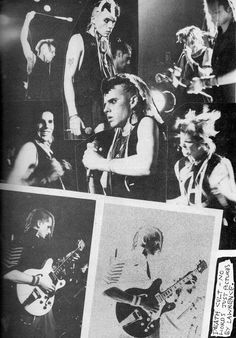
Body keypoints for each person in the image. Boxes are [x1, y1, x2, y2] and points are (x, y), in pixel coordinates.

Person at [82, 73, 167, 202]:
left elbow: (146, 165)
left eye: (113, 102)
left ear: (133, 101)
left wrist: (100, 163)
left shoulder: (146, 122)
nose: (106, 109)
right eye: (105, 103)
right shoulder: (116, 135)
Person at [173, 109, 236, 248]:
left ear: (202, 142)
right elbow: (186, 197)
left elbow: (230, 202)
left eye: (187, 142)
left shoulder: (219, 164)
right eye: (181, 141)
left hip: (219, 231)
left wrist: (217, 197)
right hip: (193, 229)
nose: (182, 146)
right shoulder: (180, 165)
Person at [64, 0, 120, 138]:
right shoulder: (78, 40)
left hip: (104, 113)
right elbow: (68, 79)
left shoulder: (105, 47)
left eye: (113, 22)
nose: (110, 26)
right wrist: (73, 115)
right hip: (85, 114)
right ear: (94, 19)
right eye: (106, 20)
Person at [2, 208, 56, 338]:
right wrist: (40, 282)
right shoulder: (21, 240)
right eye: (48, 227)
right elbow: (7, 273)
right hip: (20, 307)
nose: (49, 231)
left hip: (36, 303)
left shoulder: (40, 244)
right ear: (38, 224)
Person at [7, 110, 71, 189]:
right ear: (34, 124)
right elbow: (11, 183)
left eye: (50, 121)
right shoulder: (30, 148)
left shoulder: (48, 149)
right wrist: (46, 179)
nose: (46, 126)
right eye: (41, 122)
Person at [188, 0, 236, 102]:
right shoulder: (219, 35)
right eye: (210, 13)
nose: (213, 17)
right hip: (221, 100)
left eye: (217, 12)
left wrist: (205, 82)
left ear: (229, 9)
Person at [20, 11, 56, 100]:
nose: (54, 54)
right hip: (33, 103)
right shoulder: (33, 59)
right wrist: (27, 19)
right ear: (44, 49)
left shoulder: (48, 67)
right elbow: (23, 39)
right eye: (52, 51)